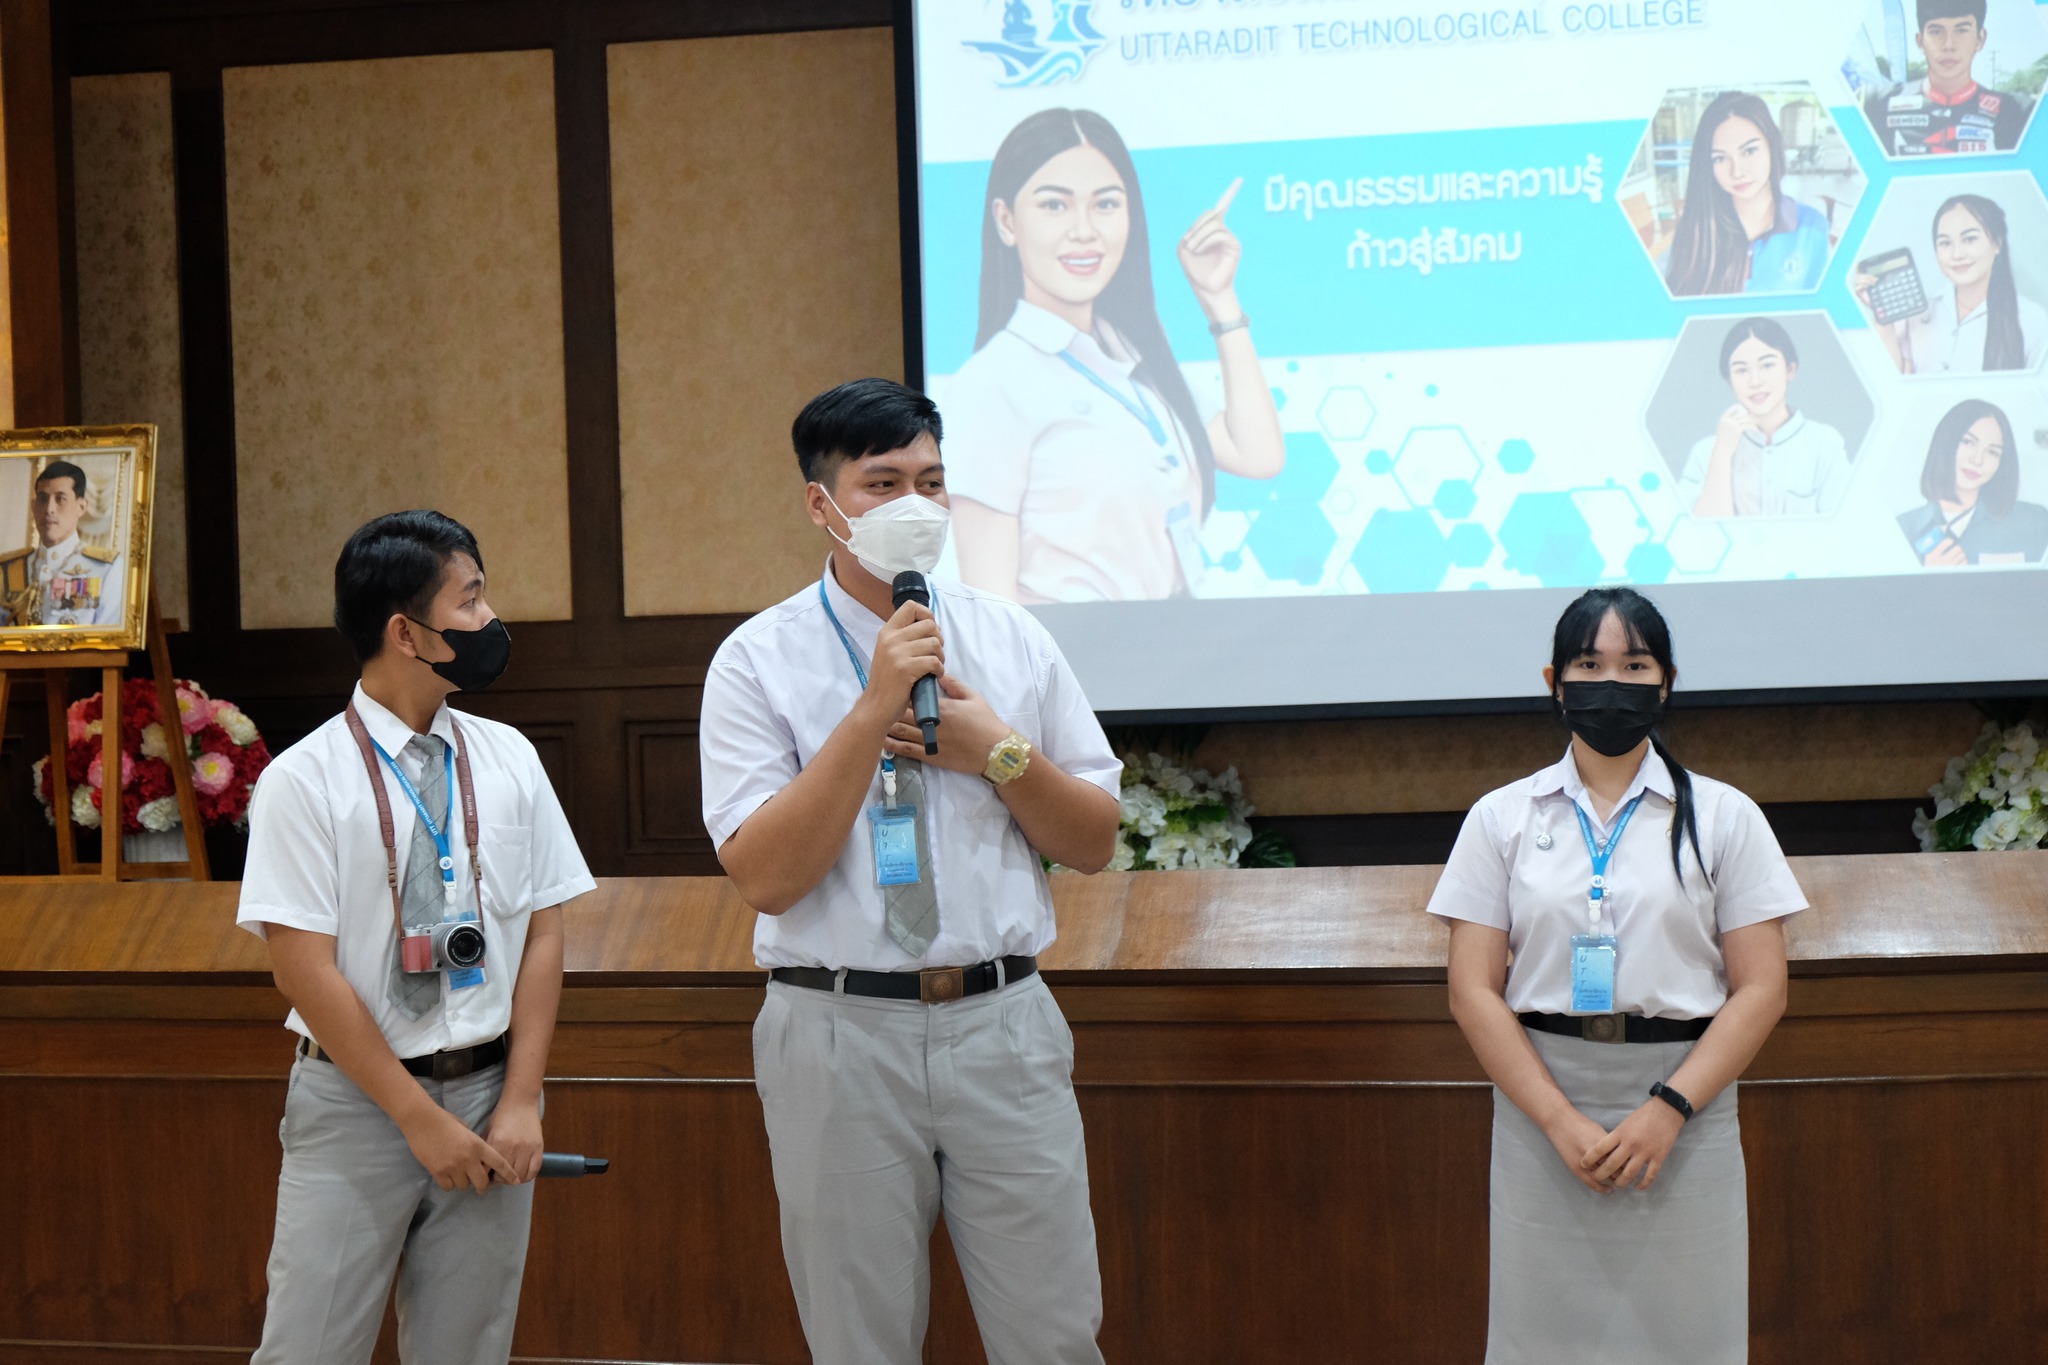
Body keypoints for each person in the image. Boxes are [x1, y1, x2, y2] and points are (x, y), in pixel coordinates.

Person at [699, 378, 1123, 1365]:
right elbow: (764, 876)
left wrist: (997, 753)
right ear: (822, 505)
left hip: (1001, 1026)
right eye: (881, 484)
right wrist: (869, 707)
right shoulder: (756, 661)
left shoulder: (1012, 635)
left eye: (931, 482)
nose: (915, 508)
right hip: (837, 1030)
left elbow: (1094, 839)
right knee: (859, 1343)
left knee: (1054, 1337)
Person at [236, 510, 595, 1365]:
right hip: (356, 1107)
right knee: (308, 1350)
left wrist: (520, 1099)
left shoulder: (509, 756)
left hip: (488, 1095)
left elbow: (545, 934)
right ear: (407, 631)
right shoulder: (303, 778)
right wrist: (412, 1115)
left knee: (467, 1350)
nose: (490, 619)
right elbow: (301, 969)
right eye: (470, 600)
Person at [1430, 587, 1806, 1365]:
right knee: (1541, 1341)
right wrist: (1562, 1123)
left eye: (1634, 664)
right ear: (1553, 681)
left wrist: (1668, 1108)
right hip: (1543, 1107)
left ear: (1666, 680)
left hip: (1685, 1110)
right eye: (1589, 663)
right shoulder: (1501, 816)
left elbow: (1764, 986)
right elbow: (1471, 989)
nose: (1613, 681)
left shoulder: (1727, 815)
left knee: (1690, 1339)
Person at [940, 107, 1285, 604]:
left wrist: (1220, 300)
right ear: (1006, 221)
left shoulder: (1131, 358)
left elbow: (1257, 455)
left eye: (1106, 204)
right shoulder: (990, 386)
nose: (1085, 230)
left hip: (1179, 658)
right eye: (1055, 206)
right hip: (1077, 673)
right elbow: (990, 608)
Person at [1676, 317, 1852, 517]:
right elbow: (1702, 537)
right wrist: (1722, 452)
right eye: (1741, 370)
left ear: (1790, 370)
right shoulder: (1705, 452)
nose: (1755, 381)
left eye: (1767, 366)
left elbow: (1844, 528)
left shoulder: (1824, 443)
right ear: (1729, 380)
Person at [1662, 91, 1830, 297]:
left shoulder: (1810, 227)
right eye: (1720, 159)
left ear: (1772, 146)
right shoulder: (1696, 231)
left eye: (1749, 151)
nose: (1737, 171)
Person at [1855, 194, 2046, 375]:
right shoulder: (1916, 314)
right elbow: (1891, 387)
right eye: (1945, 243)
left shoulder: (2033, 320)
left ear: (1997, 243)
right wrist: (1883, 318)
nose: (1957, 254)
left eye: (1969, 239)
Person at [1862, 0, 2035, 156]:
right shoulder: (1876, 103)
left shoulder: (2017, 111)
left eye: (1961, 30)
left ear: (1980, 39)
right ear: (1920, 41)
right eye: (1936, 31)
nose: (1948, 44)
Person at [1897, 399, 2048, 565]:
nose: (1978, 460)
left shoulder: (2034, 522)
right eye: (1968, 442)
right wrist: (1928, 576)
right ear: (1946, 443)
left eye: (1992, 452)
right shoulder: (1902, 528)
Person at [0, 460, 126, 627]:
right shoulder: (6, 568)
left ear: (81, 507)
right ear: (33, 506)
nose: (49, 509)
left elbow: (109, 642)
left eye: (60, 499)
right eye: (43, 499)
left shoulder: (107, 568)